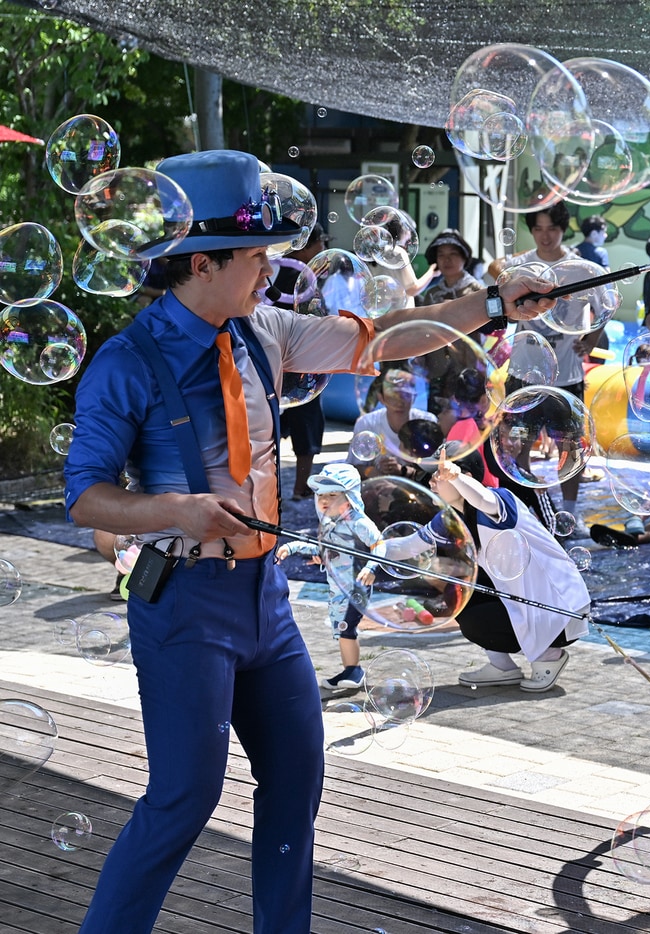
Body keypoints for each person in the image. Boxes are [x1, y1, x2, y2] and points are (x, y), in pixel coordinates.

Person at [62, 150, 555, 934]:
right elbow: (84, 495)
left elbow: (386, 337)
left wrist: (494, 302)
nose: (272, 269)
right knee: (185, 796)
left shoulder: (264, 330)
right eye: (256, 256)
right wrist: (177, 510)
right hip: (184, 604)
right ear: (202, 261)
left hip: (265, 597)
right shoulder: (127, 363)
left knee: (297, 779)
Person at [431, 456, 589, 692]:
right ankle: (502, 667)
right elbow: (411, 544)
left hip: (561, 613)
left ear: (466, 477)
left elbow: (482, 498)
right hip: (534, 609)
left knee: (471, 601)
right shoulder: (453, 518)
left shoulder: (500, 499)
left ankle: (549, 656)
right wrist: (376, 547)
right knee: (461, 592)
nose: (432, 481)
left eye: (439, 475)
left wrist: (455, 477)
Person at [503, 203, 598, 526]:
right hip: (523, 373)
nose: (545, 236)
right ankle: (526, 511)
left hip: (567, 375)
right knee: (517, 445)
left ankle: (569, 511)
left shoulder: (581, 268)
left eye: (552, 229)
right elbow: (494, 276)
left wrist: (590, 341)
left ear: (563, 230)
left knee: (569, 446)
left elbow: (605, 307)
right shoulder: (520, 265)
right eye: (538, 229)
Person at [274, 464, 386, 694]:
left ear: (350, 498)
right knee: (341, 628)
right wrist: (294, 547)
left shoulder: (357, 522)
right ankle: (349, 669)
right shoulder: (330, 523)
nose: (324, 500)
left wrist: (371, 567)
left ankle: (354, 672)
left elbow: (380, 544)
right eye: (321, 495)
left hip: (356, 586)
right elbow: (324, 549)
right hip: (338, 587)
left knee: (346, 628)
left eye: (333, 495)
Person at [266, 224, 332, 499]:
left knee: (272, 425)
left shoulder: (273, 272)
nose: (323, 250)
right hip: (301, 363)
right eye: (321, 243)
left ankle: (275, 487)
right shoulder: (300, 279)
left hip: (274, 362)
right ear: (305, 246)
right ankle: (299, 487)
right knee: (305, 423)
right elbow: (317, 319)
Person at [417, 229, 484, 306]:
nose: (447, 259)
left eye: (453, 254)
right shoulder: (432, 294)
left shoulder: (477, 291)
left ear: (464, 257)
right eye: (441, 255)